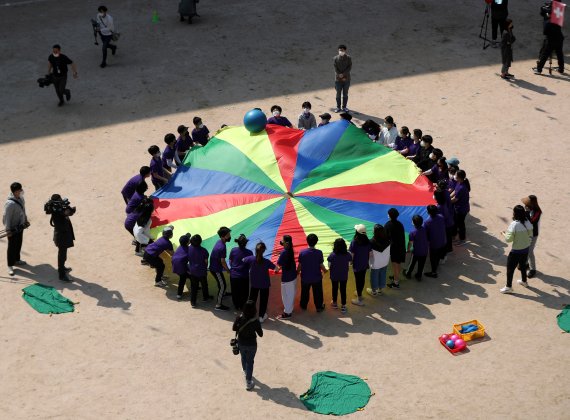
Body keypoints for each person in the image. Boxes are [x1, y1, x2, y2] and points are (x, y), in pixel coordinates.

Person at [500, 205, 533, 293]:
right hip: (525, 249)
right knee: (523, 266)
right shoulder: (527, 222)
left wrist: (504, 233)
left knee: (510, 269)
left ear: (515, 213)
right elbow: (531, 234)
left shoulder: (514, 224)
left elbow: (508, 239)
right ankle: (524, 281)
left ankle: (508, 287)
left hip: (516, 251)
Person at [232, 300, 263, 391]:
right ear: (254, 310)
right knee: (250, 362)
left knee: (243, 357)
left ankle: (245, 371)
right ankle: (248, 382)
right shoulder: (255, 321)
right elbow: (261, 334)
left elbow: (234, 328)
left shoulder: (240, 317)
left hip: (241, 343)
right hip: (252, 344)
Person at [244, 242, 277, 323]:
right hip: (264, 284)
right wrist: (278, 266)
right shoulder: (266, 261)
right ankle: (261, 316)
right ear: (264, 251)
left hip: (254, 283)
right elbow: (276, 269)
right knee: (263, 300)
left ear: (255, 250)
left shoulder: (250, 259)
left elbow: (243, 260)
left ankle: (249, 314)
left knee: (252, 299)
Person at [3, 182, 29, 276]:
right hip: (12, 228)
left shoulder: (21, 199)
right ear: (15, 191)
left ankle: (17, 260)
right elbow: (7, 218)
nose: (21, 191)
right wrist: (8, 230)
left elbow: (23, 210)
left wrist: (25, 220)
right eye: (19, 190)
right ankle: (10, 265)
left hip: (20, 226)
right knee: (11, 246)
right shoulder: (9, 204)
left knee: (19, 243)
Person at [48, 194, 76, 282]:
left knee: (63, 254)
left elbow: (68, 212)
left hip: (63, 235)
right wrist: (69, 211)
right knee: (62, 255)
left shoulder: (58, 209)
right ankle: (61, 275)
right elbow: (68, 213)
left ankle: (62, 267)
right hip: (61, 237)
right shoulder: (57, 211)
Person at [297, 234, 328, 312]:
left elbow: (300, 265)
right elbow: (321, 265)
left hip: (305, 277)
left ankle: (303, 305)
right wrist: (325, 270)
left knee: (304, 292)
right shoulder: (319, 253)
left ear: (307, 241)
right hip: (316, 278)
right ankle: (319, 307)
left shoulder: (302, 253)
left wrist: (297, 272)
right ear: (316, 242)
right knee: (318, 293)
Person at [209, 226, 232, 311]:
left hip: (215, 267)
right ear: (223, 236)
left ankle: (224, 293)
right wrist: (228, 270)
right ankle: (218, 305)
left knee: (221, 283)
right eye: (228, 235)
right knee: (223, 285)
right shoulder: (222, 247)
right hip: (215, 270)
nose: (229, 236)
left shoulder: (219, 242)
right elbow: (223, 261)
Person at [327, 238, 352, 313]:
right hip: (344, 275)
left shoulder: (332, 255)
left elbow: (329, 265)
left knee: (334, 288)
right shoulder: (348, 254)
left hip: (334, 275)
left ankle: (334, 303)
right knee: (343, 289)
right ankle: (343, 305)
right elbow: (350, 263)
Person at [229, 234, 253, 311]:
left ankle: (236, 305)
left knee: (235, 291)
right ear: (246, 243)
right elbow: (250, 264)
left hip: (234, 275)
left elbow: (230, 261)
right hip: (244, 275)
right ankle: (243, 306)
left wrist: (233, 268)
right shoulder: (249, 252)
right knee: (244, 292)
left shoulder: (233, 250)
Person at [187, 234, 212, 307]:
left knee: (194, 287)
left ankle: (193, 302)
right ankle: (205, 297)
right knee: (204, 284)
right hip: (201, 271)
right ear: (200, 242)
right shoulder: (204, 251)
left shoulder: (189, 248)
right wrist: (205, 268)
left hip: (193, 271)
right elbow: (206, 262)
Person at [350, 224, 371, 306]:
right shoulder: (368, 241)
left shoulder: (354, 242)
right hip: (364, 263)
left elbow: (352, 254)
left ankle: (359, 299)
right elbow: (369, 253)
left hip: (357, 264)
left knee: (358, 280)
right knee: (362, 279)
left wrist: (350, 262)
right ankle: (360, 294)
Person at [276, 235, 297, 319]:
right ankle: (290, 309)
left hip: (287, 279)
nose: (281, 242)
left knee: (286, 296)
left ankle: (287, 313)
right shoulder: (290, 250)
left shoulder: (284, 252)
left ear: (286, 243)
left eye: (282, 241)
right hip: (293, 276)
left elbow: (278, 267)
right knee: (291, 295)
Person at [423, 205, 447, 278]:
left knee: (433, 257)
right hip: (442, 240)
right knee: (438, 254)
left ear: (428, 212)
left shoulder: (427, 222)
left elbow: (426, 234)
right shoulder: (441, 217)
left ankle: (434, 272)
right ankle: (437, 263)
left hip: (434, 243)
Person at [522, 195, 542, 278]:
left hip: (533, 234)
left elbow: (532, 221)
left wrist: (526, 213)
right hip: (526, 232)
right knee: (525, 248)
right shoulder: (527, 208)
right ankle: (526, 264)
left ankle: (533, 269)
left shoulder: (538, 211)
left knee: (530, 251)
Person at [385, 208, 406, 288]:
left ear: (390, 215)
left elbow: (385, 237)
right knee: (398, 263)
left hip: (394, 248)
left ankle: (396, 283)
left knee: (395, 265)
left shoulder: (388, 225)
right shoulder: (400, 224)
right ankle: (396, 277)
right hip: (401, 247)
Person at [368, 224, 391, 296]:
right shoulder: (388, 240)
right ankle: (380, 290)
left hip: (375, 263)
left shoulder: (371, 242)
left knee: (374, 276)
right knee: (383, 274)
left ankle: (374, 291)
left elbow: (369, 253)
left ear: (375, 232)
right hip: (385, 261)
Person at [404, 215, 429, 281]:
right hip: (425, 251)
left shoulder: (412, 233)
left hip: (416, 252)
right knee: (421, 264)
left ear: (413, 222)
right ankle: (419, 276)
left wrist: (408, 249)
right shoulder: (425, 229)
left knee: (412, 263)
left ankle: (408, 273)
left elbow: (410, 243)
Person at [451, 170, 470, 244]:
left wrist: (446, 200)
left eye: (455, 175)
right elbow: (454, 192)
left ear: (459, 177)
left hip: (461, 210)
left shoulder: (462, 188)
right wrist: (448, 197)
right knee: (456, 222)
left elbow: (455, 199)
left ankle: (462, 239)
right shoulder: (459, 183)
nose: (454, 176)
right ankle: (454, 235)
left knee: (460, 224)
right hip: (459, 208)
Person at [334, 44, 352, 112]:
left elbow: (349, 67)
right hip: (338, 79)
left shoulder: (349, 58)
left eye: (342, 50)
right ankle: (338, 107)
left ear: (345, 50)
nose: (341, 51)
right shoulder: (335, 58)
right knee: (338, 94)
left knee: (345, 94)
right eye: (340, 50)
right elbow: (335, 68)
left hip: (346, 79)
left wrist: (343, 74)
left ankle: (344, 107)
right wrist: (339, 74)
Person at [173, 233, 192, 299]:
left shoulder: (180, 246)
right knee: (185, 278)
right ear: (187, 242)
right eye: (189, 240)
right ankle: (179, 294)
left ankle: (179, 294)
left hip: (175, 266)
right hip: (181, 268)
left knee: (184, 277)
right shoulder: (188, 250)